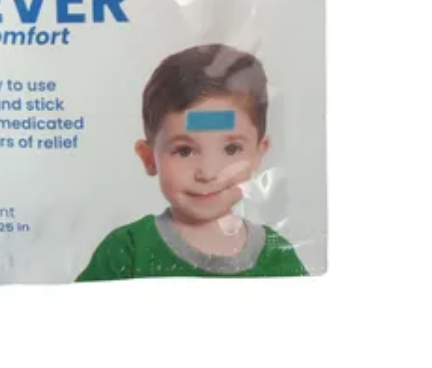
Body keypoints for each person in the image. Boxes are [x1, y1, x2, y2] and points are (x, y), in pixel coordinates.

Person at [76, 43, 307, 281]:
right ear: (149, 158)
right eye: (185, 151)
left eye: (231, 149)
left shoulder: (277, 256)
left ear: (259, 153)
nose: (208, 173)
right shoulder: (127, 251)